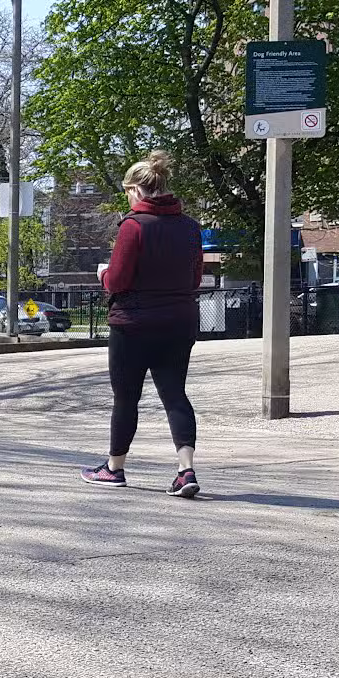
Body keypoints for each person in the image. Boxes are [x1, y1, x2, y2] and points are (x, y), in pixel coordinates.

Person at [81, 150, 205, 497]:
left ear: (136, 189)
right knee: (175, 394)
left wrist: (104, 274)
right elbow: (194, 279)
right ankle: (186, 470)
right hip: (178, 322)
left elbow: (118, 281)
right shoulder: (190, 228)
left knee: (126, 398)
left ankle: (114, 469)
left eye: (126, 191)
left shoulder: (133, 227)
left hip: (133, 324)